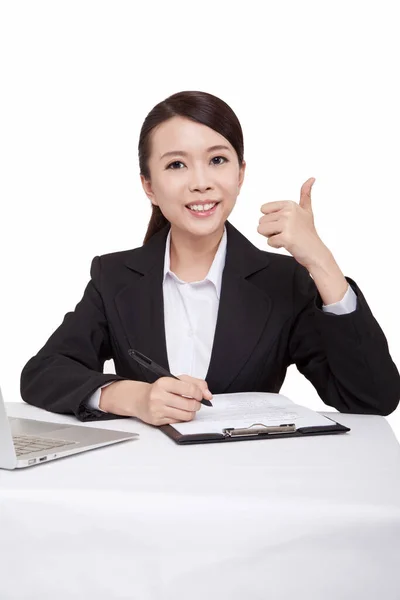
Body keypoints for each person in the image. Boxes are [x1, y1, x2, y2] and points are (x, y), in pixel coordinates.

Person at [20, 90, 400, 425]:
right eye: (176, 164)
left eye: (217, 160)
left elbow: (370, 400)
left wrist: (321, 262)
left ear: (241, 173)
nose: (201, 181)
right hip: (144, 483)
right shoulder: (114, 276)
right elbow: (42, 373)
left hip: (252, 487)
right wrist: (132, 397)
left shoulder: (284, 281)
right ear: (148, 186)